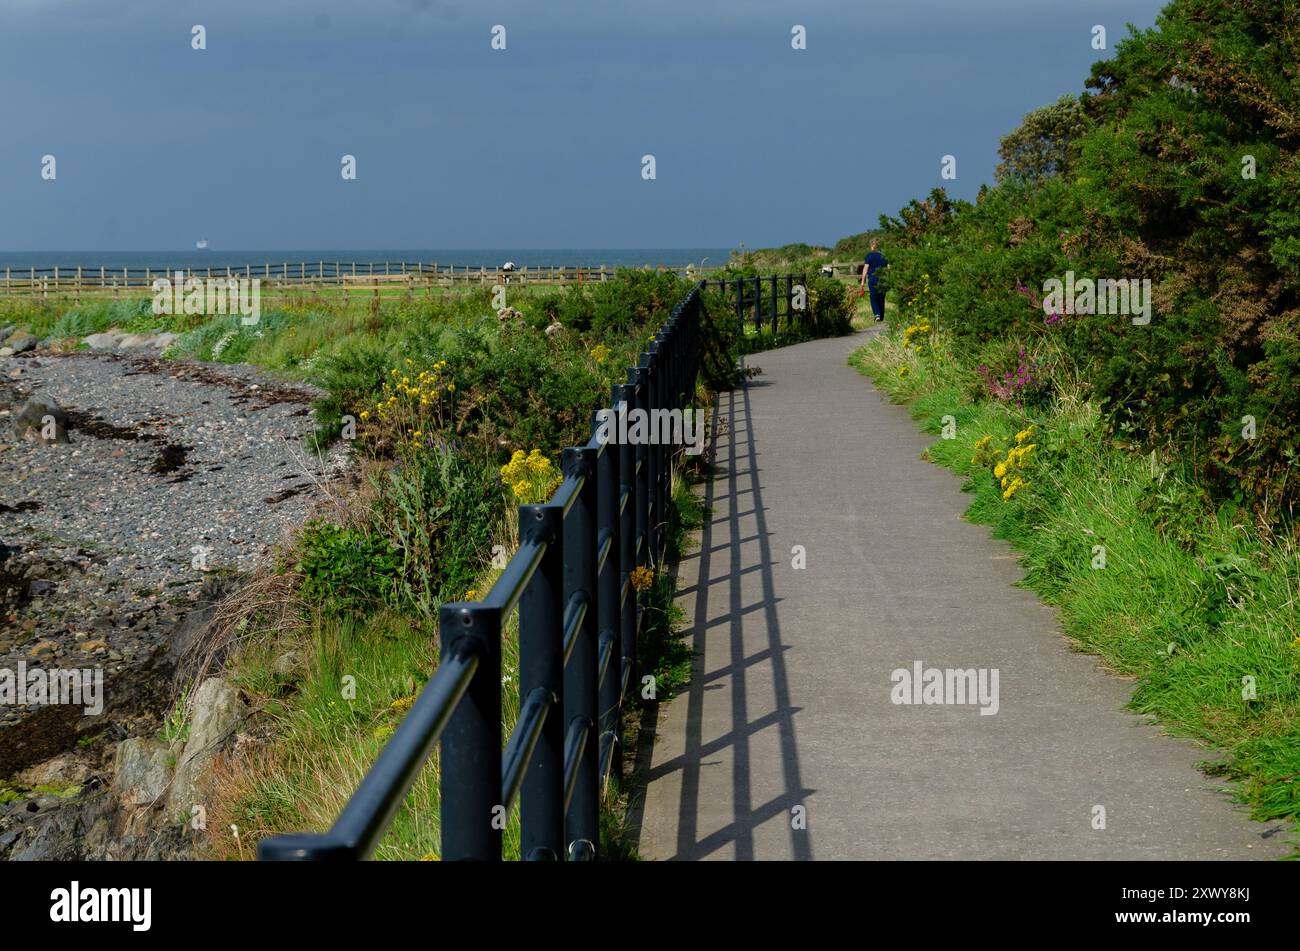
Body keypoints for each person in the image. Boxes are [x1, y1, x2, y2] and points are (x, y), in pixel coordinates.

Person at [859, 238, 888, 321]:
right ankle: (881, 316)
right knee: (881, 298)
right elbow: (888, 268)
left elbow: (865, 269)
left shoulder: (869, 256)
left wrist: (862, 283)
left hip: (873, 279)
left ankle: (877, 314)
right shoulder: (884, 256)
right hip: (883, 279)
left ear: (871, 246)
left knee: (873, 297)